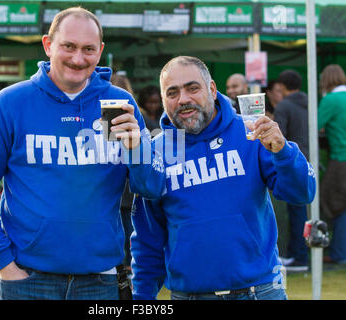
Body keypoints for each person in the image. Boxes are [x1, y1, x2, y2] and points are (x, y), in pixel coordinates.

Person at [0, 7, 165, 300]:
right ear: (48, 45)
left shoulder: (117, 103)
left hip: (100, 281)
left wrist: (137, 147)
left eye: (88, 49)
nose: (78, 58)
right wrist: (3, 262)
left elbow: (152, 187)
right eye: (68, 46)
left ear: (100, 51)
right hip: (27, 280)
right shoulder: (11, 103)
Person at [130, 56, 316, 300]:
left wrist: (284, 152)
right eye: (172, 92)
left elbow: (302, 192)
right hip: (190, 295)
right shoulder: (154, 154)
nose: (183, 99)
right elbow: (147, 238)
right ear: (164, 100)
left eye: (192, 88)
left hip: (259, 292)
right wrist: (141, 298)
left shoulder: (252, 133)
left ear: (213, 90)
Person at [274, 70, 310, 271]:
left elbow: (280, 137)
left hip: (292, 163)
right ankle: (299, 254)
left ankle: (298, 257)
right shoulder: (309, 102)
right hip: (309, 160)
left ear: (282, 85)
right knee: (303, 211)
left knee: (296, 211)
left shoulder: (284, 105)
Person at [318, 64, 346, 264]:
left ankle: (338, 253)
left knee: (336, 206)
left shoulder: (331, 100)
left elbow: (315, 126)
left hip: (340, 159)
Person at [110, 71, 135, 271]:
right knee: (130, 235)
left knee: (122, 234)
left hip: (115, 190)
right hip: (129, 191)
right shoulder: (137, 116)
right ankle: (127, 273)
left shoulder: (136, 118)